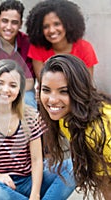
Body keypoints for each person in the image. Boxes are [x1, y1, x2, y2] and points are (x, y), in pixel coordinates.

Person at [0, 59, 75, 200]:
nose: (5, 89)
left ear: (19, 90)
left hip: (28, 180)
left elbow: (36, 160)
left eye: (12, 85)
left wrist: (35, 194)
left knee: (73, 166)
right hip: (0, 184)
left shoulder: (31, 116)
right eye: (0, 83)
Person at [38, 54, 111, 200]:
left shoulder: (99, 129)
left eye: (63, 91)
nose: (52, 100)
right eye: (46, 90)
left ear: (79, 90)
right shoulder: (65, 116)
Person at [0, 0, 36, 108]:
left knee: (28, 101)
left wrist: (12, 92)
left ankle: (29, 125)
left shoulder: (28, 43)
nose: (8, 27)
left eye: (14, 22)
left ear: (20, 24)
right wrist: (6, 92)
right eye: (4, 21)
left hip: (22, 92)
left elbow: (30, 82)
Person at [25, 0, 98, 82]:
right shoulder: (37, 48)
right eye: (45, 26)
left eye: (56, 24)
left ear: (68, 24)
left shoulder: (84, 48)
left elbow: (87, 83)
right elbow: (43, 82)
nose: (51, 30)